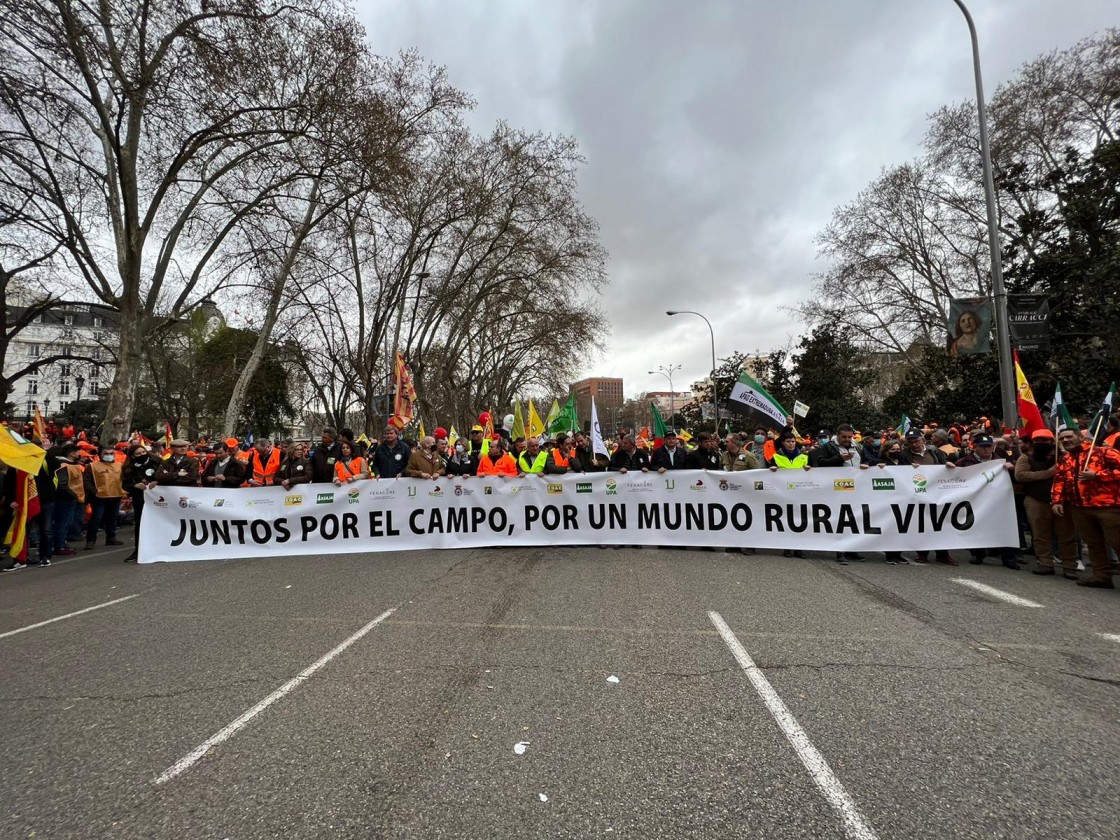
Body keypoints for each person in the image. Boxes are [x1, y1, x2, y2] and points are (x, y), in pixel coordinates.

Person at [1051, 427, 1120, 588]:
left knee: (1117, 541)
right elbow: (1059, 481)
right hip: (1079, 508)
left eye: (1069, 437)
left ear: (1080, 437)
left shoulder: (1103, 452)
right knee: (1093, 543)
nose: (1066, 441)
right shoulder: (1065, 459)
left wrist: (1097, 475)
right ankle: (1101, 575)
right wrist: (1057, 501)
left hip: (1108, 506)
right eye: (1062, 439)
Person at [1015, 429, 1077, 578]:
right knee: (1040, 534)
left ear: (1052, 442)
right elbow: (1021, 475)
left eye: (1045, 440)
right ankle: (1045, 563)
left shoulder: (1064, 457)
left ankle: (1070, 566)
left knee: (1067, 535)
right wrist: (1049, 473)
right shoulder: (1026, 458)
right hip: (1036, 500)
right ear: (1033, 442)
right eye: (1038, 440)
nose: (1041, 443)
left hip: (1063, 502)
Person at [768, 432, 808, 557]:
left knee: (800, 521)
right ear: (783, 443)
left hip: (799, 495)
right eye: (788, 441)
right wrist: (772, 468)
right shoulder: (776, 457)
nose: (791, 444)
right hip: (783, 495)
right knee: (785, 521)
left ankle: (799, 548)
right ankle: (787, 547)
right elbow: (769, 472)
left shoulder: (804, 457)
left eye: (793, 441)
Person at [83, 445, 126, 550]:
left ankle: (111, 538)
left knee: (113, 517)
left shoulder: (120, 465)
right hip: (99, 497)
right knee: (96, 518)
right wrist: (94, 491)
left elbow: (124, 479)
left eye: (111, 453)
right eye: (106, 453)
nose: (109, 456)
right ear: (100, 455)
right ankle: (90, 541)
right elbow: (86, 481)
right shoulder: (92, 466)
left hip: (115, 495)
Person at [51, 444, 81, 559]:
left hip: (65, 498)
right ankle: (60, 546)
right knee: (63, 523)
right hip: (65, 499)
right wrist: (73, 495)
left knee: (63, 523)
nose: (79, 454)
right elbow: (62, 485)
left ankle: (61, 544)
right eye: (77, 452)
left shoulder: (67, 465)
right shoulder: (64, 465)